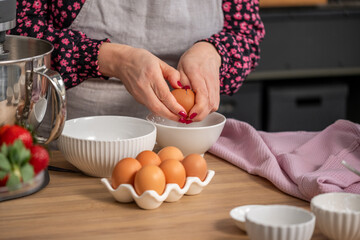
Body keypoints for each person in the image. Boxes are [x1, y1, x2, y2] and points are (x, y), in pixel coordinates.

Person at [8, 0, 265, 125]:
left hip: (187, 150)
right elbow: (19, 32)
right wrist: (110, 59)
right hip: (74, 145)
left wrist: (213, 52)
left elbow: (246, 34)